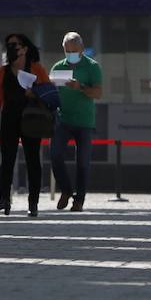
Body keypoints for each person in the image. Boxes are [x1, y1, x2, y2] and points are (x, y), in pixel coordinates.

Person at [0, 33, 52, 217]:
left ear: (25, 48)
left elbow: (49, 92)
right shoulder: (3, 71)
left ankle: (33, 203)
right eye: (9, 45)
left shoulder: (36, 68)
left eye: (16, 45)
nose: (12, 48)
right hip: (9, 119)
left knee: (32, 160)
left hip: (31, 118)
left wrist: (36, 92)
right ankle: (4, 200)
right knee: (7, 160)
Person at [49, 32, 102, 212]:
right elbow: (51, 93)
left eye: (74, 50)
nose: (70, 53)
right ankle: (65, 189)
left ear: (81, 49)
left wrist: (80, 87)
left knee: (83, 162)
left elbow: (97, 93)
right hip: (63, 119)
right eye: (67, 50)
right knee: (55, 155)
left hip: (84, 121)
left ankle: (79, 200)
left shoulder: (92, 66)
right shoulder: (58, 67)